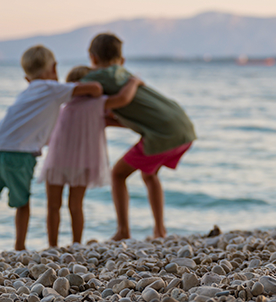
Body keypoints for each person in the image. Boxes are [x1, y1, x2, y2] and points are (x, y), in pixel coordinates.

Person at [0, 46, 103, 256]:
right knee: (22, 203)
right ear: (54, 68)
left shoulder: (28, 91)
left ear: (26, 78)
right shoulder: (53, 88)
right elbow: (95, 89)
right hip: (19, 155)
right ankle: (19, 247)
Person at [81, 33, 197, 241]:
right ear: (122, 60)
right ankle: (160, 230)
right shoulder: (124, 75)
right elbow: (137, 116)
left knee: (117, 174)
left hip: (163, 135)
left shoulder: (95, 78)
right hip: (184, 129)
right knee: (149, 174)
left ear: (93, 58)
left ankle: (123, 231)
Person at [38, 65, 143, 247]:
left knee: (53, 206)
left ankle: (52, 246)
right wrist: (134, 82)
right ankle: (76, 243)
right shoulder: (98, 104)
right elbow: (123, 99)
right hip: (83, 163)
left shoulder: (62, 106)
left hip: (57, 161)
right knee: (76, 206)